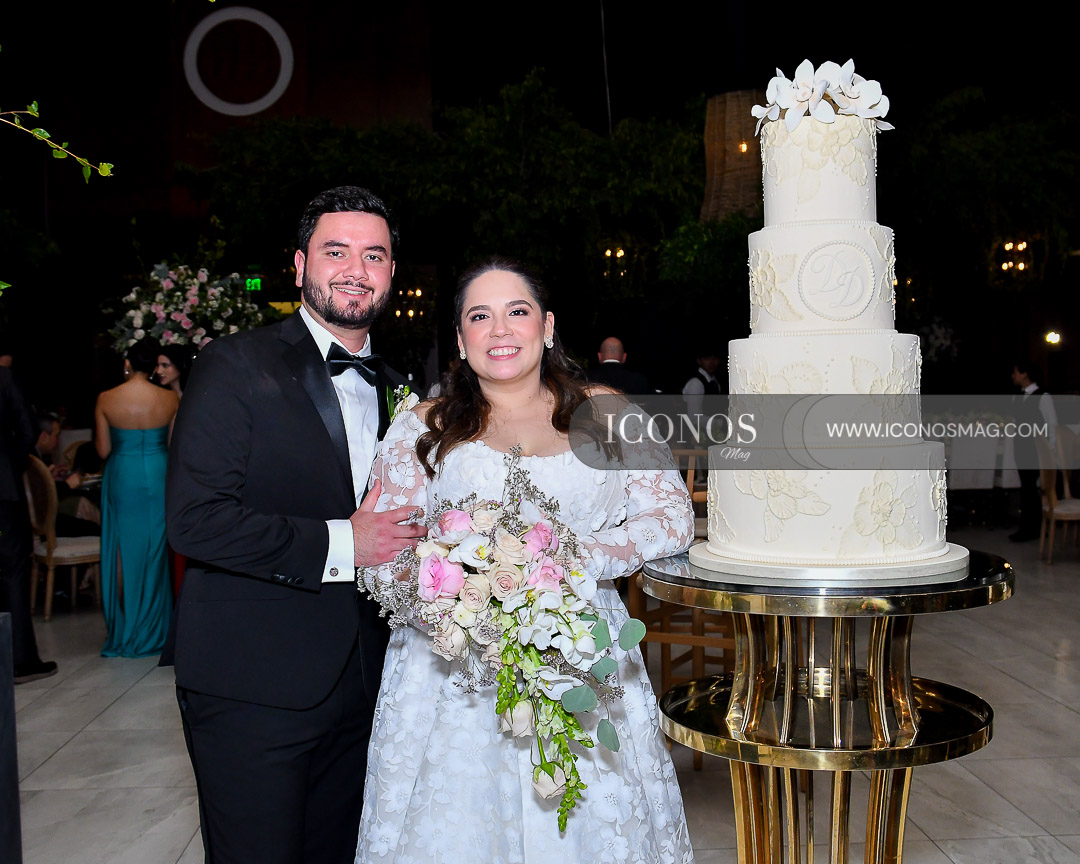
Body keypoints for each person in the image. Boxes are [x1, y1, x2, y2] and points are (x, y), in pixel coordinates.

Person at [355, 258, 695, 863]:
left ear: (548, 326)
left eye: (517, 311)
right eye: (479, 316)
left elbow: (671, 519)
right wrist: (457, 593)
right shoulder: (422, 427)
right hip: (454, 671)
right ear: (460, 339)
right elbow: (381, 553)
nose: (500, 330)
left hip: (583, 650)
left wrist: (566, 560)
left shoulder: (607, 412)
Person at [163, 186, 426, 864]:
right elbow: (195, 521)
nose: (356, 270)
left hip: (367, 686)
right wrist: (346, 542)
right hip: (254, 686)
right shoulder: (233, 363)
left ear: (392, 272)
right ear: (301, 264)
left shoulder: (401, 389)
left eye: (374, 255)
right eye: (336, 252)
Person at [94, 337, 178, 657]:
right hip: (159, 473)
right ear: (154, 366)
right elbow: (174, 447)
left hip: (123, 476)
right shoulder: (170, 399)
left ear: (128, 363)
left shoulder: (106, 398)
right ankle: (154, 629)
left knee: (122, 551)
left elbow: (103, 450)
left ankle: (126, 627)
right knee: (156, 549)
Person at [0, 366, 58, 683]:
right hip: (3, 493)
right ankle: (20, 661)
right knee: (12, 570)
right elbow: (28, 430)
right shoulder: (4, 377)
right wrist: (11, 463)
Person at [1010, 359, 1058, 542]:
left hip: (1036, 450)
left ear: (1024, 374)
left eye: (1016, 372)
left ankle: (1032, 529)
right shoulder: (1017, 396)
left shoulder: (1043, 396)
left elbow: (1052, 425)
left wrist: (1050, 452)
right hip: (1020, 448)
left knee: (1033, 488)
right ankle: (1029, 527)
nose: (1013, 376)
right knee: (1027, 487)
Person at [681, 351, 722, 419]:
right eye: (707, 359)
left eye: (715, 359)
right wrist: (721, 423)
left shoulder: (715, 382)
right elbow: (694, 417)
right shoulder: (696, 383)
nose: (711, 362)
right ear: (699, 361)